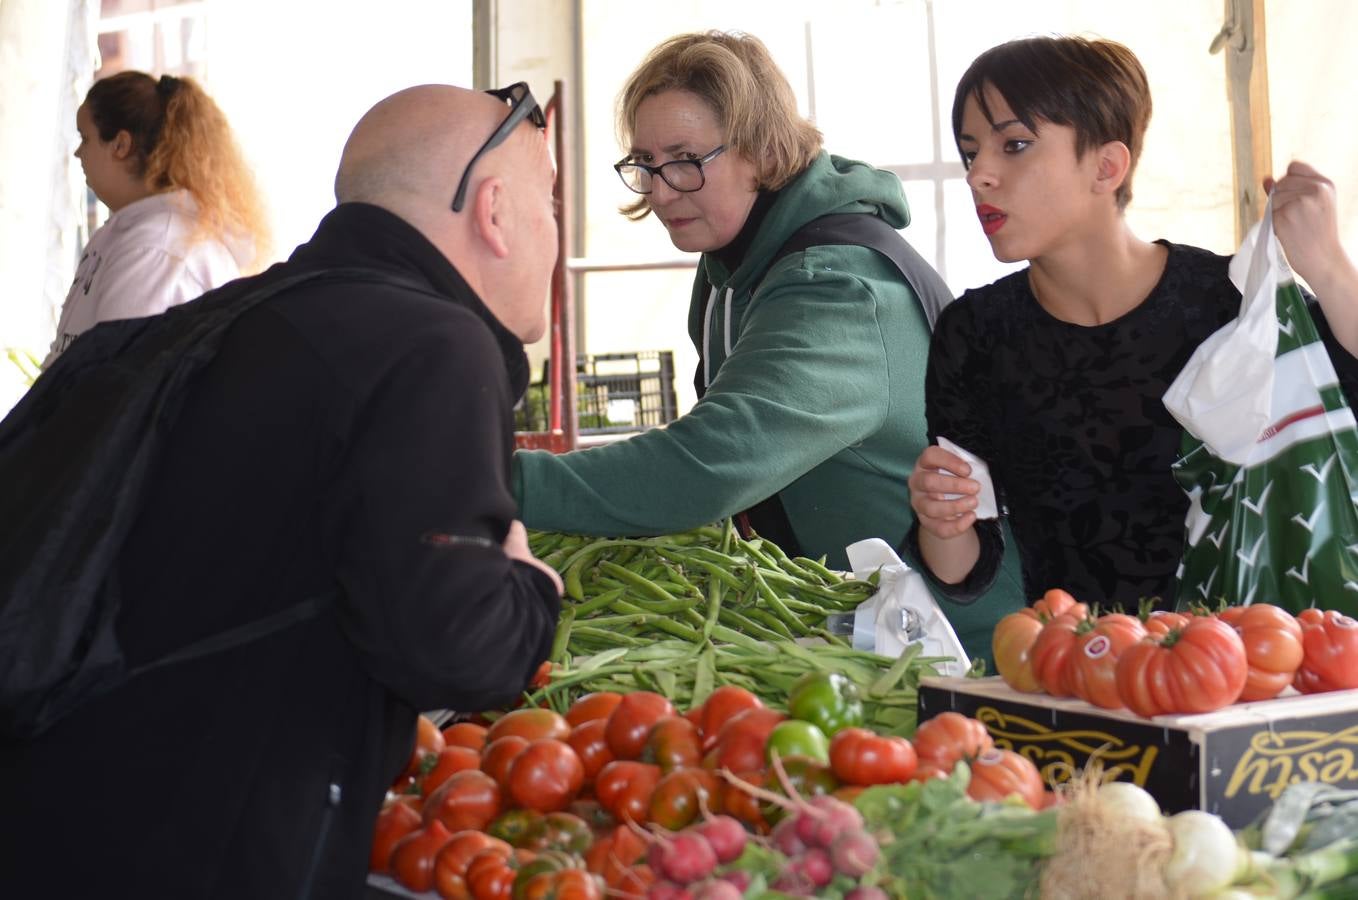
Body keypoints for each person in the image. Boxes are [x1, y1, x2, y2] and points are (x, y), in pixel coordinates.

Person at [0, 83, 563, 898]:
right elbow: (451, 646)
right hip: (198, 855)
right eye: (548, 203)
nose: (555, 232)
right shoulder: (431, 345)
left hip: (65, 816)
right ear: (495, 212)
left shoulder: (243, 316)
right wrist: (528, 591)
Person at [512, 30, 1026, 657]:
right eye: (645, 163)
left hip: (955, 645)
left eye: (684, 160)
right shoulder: (735, 263)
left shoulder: (835, 285)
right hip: (855, 616)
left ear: (759, 151)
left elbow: (711, 463)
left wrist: (492, 484)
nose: (662, 190)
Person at [906, 35, 1358, 610]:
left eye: (1014, 145)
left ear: (1107, 166)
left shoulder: (1229, 303)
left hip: (1256, 673)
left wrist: (1332, 268)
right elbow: (964, 573)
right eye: (971, 152)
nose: (978, 176)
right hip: (1079, 674)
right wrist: (941, 520)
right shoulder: (973, 333)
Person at [43, 70, 269, 366]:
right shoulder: (138, 234)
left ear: (120, 145)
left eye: (85, 138)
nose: (77, 153)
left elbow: (116, 389)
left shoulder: (156, 249)